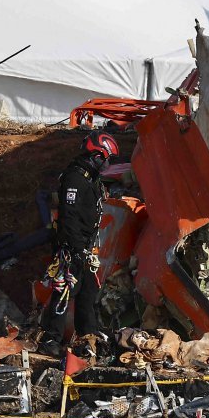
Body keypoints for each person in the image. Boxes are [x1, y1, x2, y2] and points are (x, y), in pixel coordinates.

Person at [38, 131, 118, 358]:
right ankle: (51, 338)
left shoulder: (90, 179)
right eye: (106, 159)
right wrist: (75, 248)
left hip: (85, 246)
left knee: (88, 291)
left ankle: (88, 336)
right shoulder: (75, 178)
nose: (107, 164)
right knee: (65, 291)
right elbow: (69, 217)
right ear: (96, 156)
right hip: (72, 247)